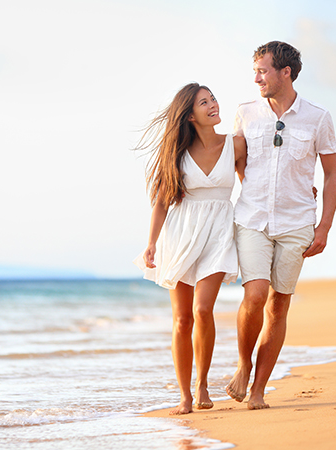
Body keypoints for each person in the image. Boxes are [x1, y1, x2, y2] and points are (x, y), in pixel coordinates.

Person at [224, 41, 336, 410]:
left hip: (297, 223)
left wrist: (323, 227)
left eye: (263, 70)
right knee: (255, 295)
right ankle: (244, 364)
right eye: (255, 70)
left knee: (278, 306)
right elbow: (237, 161)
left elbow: (332, 173)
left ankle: (258, 389)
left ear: (285, 72)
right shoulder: (246, 113)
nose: (256, 77)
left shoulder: (318, 118)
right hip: (252, 218)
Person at [134, 82, 247, 415]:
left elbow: (253, 186)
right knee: (183, 319)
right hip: (181, 234)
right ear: (190, 115)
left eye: (213, 98)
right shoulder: (176, 153)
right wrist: (152, 242)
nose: (213, 104)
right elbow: (160, 202)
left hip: (218, 232)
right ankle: (185, 395)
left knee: (201, 310)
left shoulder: (235, 145)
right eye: (204, 102)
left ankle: (202, 384)